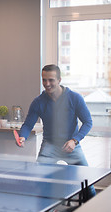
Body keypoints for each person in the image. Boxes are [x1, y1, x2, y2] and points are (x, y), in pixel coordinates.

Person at [18, 64, 95, 196]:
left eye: (51, 80)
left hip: (71, 145)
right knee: (40, 183)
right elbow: (27, 125)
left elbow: (88, 122)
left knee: (87, 183)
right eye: (44, 80)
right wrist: (22, 136)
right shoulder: (38, 102)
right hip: (49, 146)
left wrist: (74, 140)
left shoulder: (75, 98)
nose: (47, 84)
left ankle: (94, 209)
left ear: (59, 80)